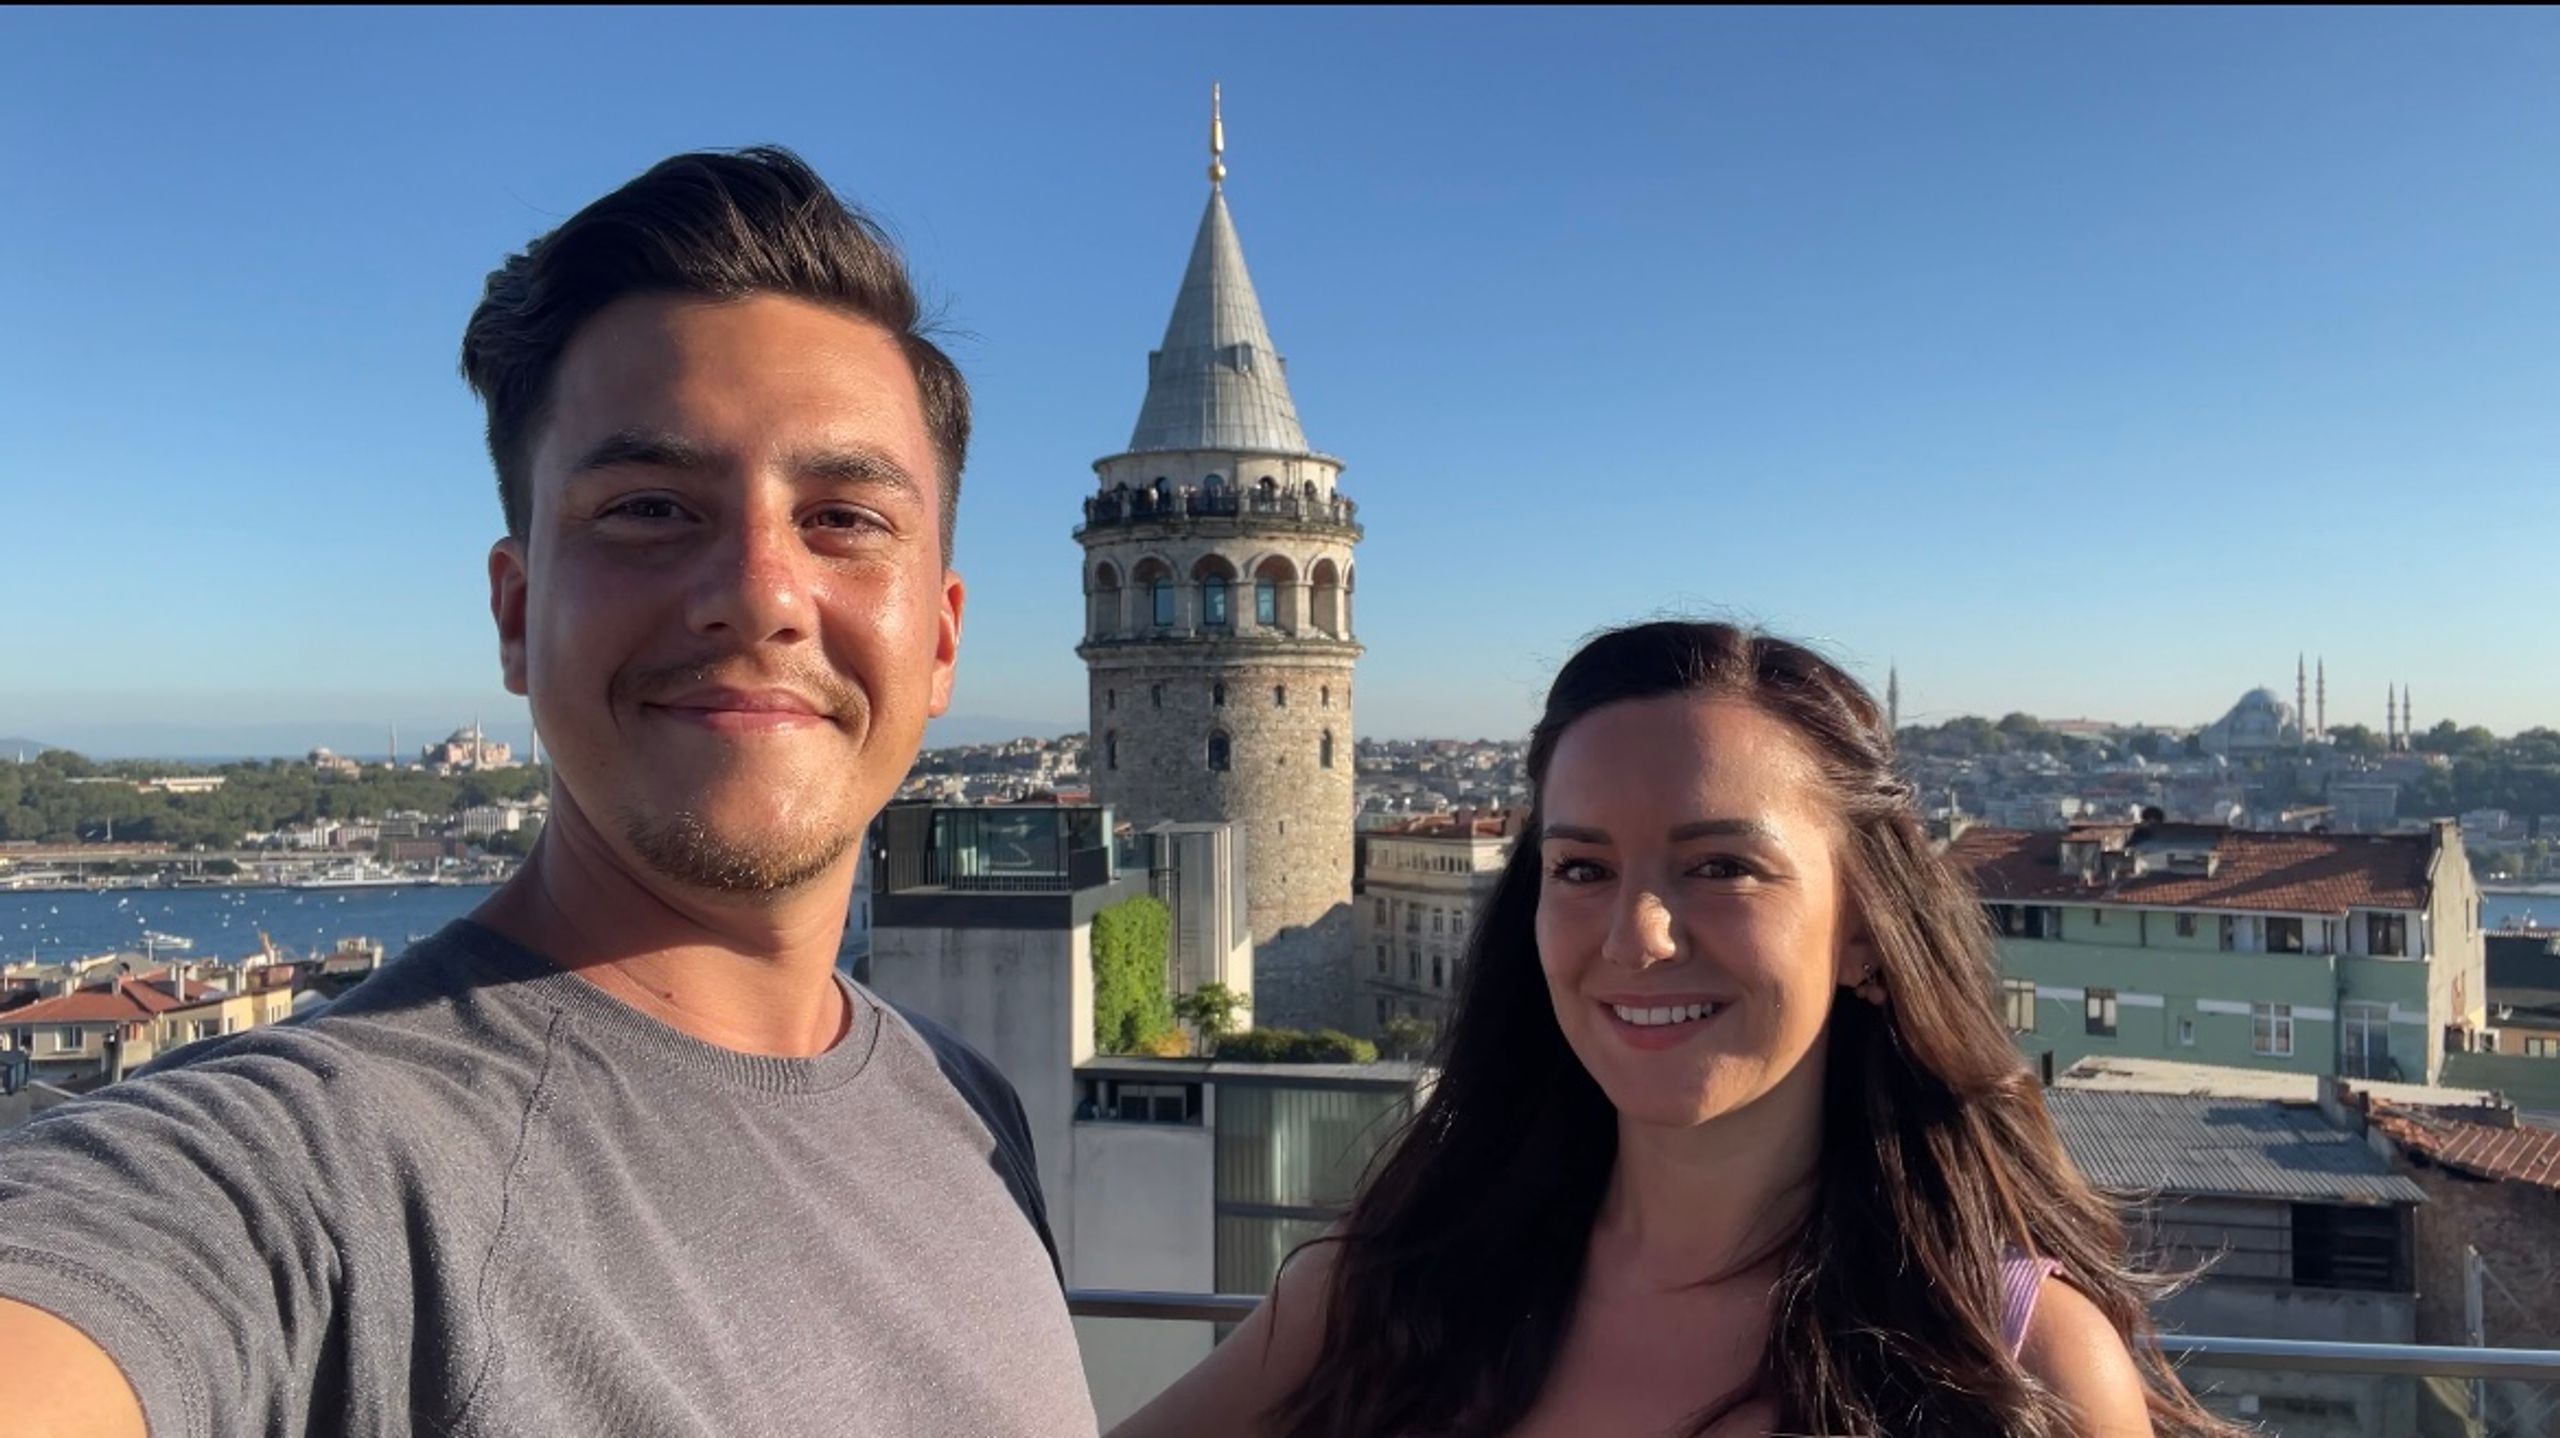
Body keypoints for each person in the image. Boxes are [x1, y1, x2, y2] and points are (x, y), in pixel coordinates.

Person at [0, 147, 1098, 1437]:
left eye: (844, 518)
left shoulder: (962, 1102)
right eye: (650, 507)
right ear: (517, 616)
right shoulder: (306, 1172)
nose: (758, 592)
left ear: (943, 640)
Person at [1115, 621, 2248, 1438]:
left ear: (1863, 932)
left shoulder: (2018, 1367)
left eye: (1722, 867)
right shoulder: (1389, 1291)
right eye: (1582, 868)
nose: (1638, 936)